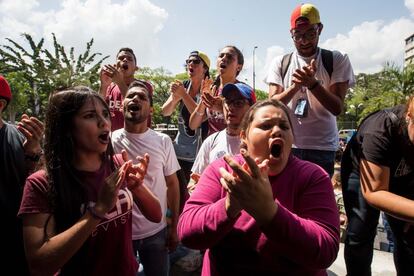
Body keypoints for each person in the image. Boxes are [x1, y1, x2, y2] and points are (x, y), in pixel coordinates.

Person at [178, 99, 340, 275]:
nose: (277, 131)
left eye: (284, 127)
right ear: (244, 137)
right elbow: (187, 232)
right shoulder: (222, 170)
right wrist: (229, 206)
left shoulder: (312, 176)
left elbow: (326, 251)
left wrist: (269, 212)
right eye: (265, 126)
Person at [18, 86, 162, 275]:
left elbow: (156, 215)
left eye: (105, 114)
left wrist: (137, 187)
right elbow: (39, 265)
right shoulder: (41, 184)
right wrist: (98, 211)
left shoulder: (118, 164)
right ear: (66, 127)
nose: (103, 122)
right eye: (89, 116)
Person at [265, 3, 355, 177]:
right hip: (287, 146)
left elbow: (337, 107)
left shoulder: (336, 59)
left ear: (320, 29)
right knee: (286, 202)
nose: (303, 41)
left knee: (316, 201)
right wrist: (296, 86)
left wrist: (313, 84)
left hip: (322, 148)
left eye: (309, 34)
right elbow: (272, 105)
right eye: (297, 35)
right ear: (291, 34)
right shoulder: (280, 62)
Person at [112, 80, 181, 276]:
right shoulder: (109, 140)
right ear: (122, 104)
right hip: (121, 234)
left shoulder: (163, 141)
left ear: (150, 110)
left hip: (156, 232)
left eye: (142, 97)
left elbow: (173, 185)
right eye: (131, 95)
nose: (135, 98)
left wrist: (173, 226)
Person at [341, 96, 414, 275]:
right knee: (361, 232)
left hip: (405, 172)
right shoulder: (380, 129)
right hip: (363, 172)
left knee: (409, 235)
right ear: (410, 116)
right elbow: (375, 191)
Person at [0, 75, 44, 275]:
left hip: (16, 239)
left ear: (1, 104)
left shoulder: (18, 136)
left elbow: (34, 182)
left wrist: (32, 152)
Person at [161, 51, 210, 211]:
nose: (191, 64)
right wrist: (175, 98)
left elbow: (199, 119)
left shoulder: (209, 89)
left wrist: (183, 95)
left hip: (199, 154)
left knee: (194, 195)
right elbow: (165, 111)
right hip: (179, 151)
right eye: (188, 61)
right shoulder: (183, 85)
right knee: (176, 193)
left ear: (205, 68)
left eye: (196, 61)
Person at [188, 82, 256, 193]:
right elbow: (193, 182)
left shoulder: (258, 143)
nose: (231, 107)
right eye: (228, 102)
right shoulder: (211, 141)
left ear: (252, 108)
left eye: (238, 103)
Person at [189, 45, 244, 136]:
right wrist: (204, 100)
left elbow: (250, 122)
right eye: (221, 56)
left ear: (239, 67)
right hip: (214, 146)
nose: (224, 59)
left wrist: (223, 108)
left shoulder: (243, 91)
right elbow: (193, 125)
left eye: (229, 57)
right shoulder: (213, 89)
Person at [99, 47, 153, 131]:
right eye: (120, 58)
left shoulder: (144, 87)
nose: (124, 60)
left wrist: (119, 81)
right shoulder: (110, 87)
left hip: (137, 139)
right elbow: (98, 109)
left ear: (136, 68)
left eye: (130, 59)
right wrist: (103, 85)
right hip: (114, 139)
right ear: (115, 65)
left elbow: (135, 104)